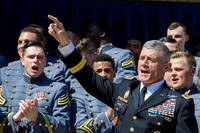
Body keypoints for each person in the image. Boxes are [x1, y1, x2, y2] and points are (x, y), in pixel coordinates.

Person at [48, 14, 198, 133]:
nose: (144, 63)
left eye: (151, 60)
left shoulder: (179, 103)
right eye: (142, 58)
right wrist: (66, 44)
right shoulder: (125, 88)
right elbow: (89, 79)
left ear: (166, 67)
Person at [0, 41, 70, 132]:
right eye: (31, 57)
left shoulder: (58, 89)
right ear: (22, 61)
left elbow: (64, 126)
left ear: (45, 62)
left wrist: (37, 117)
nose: (35, 60)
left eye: (40, 57)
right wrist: (16, 117)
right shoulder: (7, 86)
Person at [70, 54, 115, 133]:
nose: (103, 74)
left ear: (114, 73)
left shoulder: (124, 93)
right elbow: (80, 129)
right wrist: (107, 115)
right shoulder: (80, 96)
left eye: (107, 70)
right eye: (99, 71)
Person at [165, 51, 200, 131]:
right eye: (170, 70)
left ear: (193, 71)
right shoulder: (159, 98)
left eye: (178, 69)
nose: (173, 73)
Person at [167, 22, 200, 89]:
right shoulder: (162, 61)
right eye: (170, 37)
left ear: (186, 38)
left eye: (177, 36)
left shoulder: (198, 62)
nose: (173, 39)